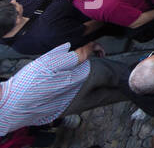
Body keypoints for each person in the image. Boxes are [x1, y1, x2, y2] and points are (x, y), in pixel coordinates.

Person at [0, 41, 132, 139]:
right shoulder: (32, 73)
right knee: (132, 76)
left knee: (126, 94)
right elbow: (80, 55)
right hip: (88, 75)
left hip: (71, 106)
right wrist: (92, 45)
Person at [0, 0, 97, 56]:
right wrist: (107, 14)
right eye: (11, 5)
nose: (13, 1)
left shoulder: (7, 19)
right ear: (17, 19)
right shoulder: (48, 33)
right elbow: (88, 28)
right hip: (94, 8)